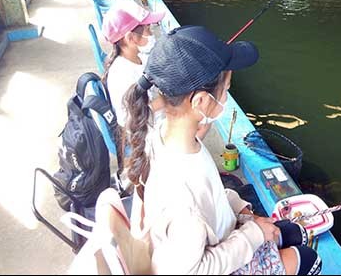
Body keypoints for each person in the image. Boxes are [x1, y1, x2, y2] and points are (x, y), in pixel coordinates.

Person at [123, 25, 322, 275]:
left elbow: (210, 196)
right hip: (210, 262)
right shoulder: (182, 203)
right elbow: (196, 270)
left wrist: (238, 206)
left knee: (295, 232)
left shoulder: (163, 134)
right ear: (201, 102)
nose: (226, 95)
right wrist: (253, 234)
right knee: (309, 259)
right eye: (226, 89)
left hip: (220, 235)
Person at [101, 0, 165, 128]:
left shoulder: (138, 58)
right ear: (130, 38)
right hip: (142, 135)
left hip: (153, 118)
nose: (152, 34)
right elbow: (129, 120)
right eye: (148, 29)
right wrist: (164, 102)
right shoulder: (122, 74)